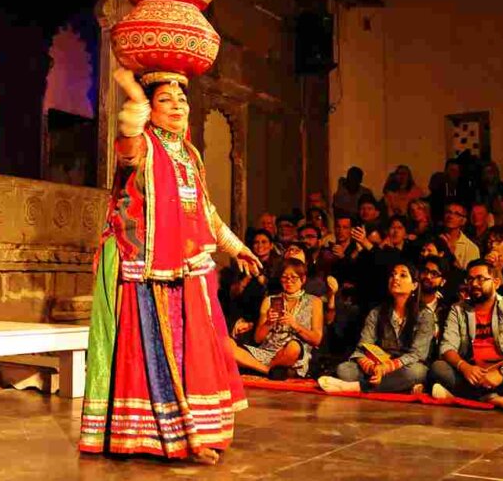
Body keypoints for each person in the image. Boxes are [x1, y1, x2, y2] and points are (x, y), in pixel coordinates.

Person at [79, 69, 262, 465]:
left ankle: (195, 430)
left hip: (190, 266)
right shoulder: (143, 145)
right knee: (158, 349)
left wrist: (236, 247)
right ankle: (172, 437)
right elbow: (126, 143)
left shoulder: (190, 153)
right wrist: (132, 93)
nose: (177, 104)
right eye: (165, 99)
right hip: (146, 265)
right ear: (151, 110)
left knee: (194, 349)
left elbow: (204, 210)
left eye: (181, 98)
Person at [430, 259, 503, 414]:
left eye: (481, 278)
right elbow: (447, 347)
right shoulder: (458, 309)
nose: (474, 284)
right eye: (471, 279)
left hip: (500, 370)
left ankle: (459, 396)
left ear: (496, 282)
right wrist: (465, 367)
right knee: (438, 368)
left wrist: (501, 372)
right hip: (470, 372)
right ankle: (494, 399)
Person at [318, 262, 434, 394]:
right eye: (393, 275)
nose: (395, 278)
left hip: (403, 367)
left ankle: (358, 387)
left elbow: (418, 354)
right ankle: (398, 388)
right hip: (377, 366)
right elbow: (362, 348)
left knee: (417, 372)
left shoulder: (424, 315)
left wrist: (386, 368)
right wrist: (373, 368)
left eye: (402, 275)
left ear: (414, 285)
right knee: (345, 369)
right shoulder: (377, 312)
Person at [230, 259, 323, 380]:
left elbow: (316, 339)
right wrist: (269, 322)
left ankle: (254, 368)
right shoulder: (270, 300)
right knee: (226, 344)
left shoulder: (314, 302)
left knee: (294, 347)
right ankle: (267, 370)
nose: (289, 281)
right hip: (265, 353)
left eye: (293, 278)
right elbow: (258, 338)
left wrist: (295, 325)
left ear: (303, 279)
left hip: (292, 354)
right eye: (284, 277)